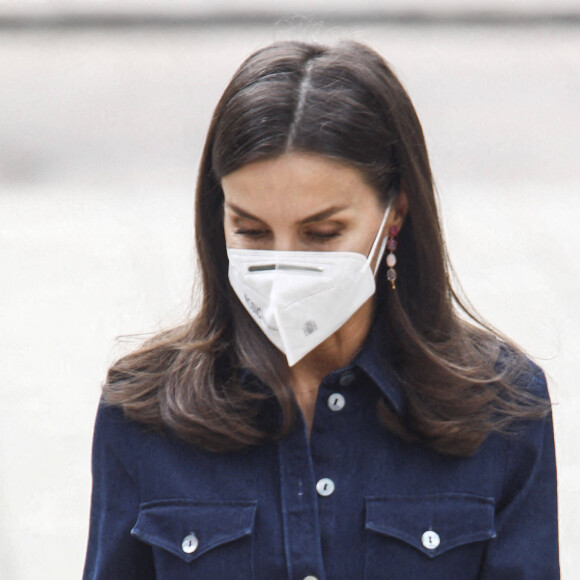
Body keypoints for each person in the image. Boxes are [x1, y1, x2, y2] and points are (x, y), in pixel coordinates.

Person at [83, 40, 559, 579]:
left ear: (395, 212)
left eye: (322, 233)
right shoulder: (145, 412)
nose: (284, 265)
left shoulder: (501, 407)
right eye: (252, 231)